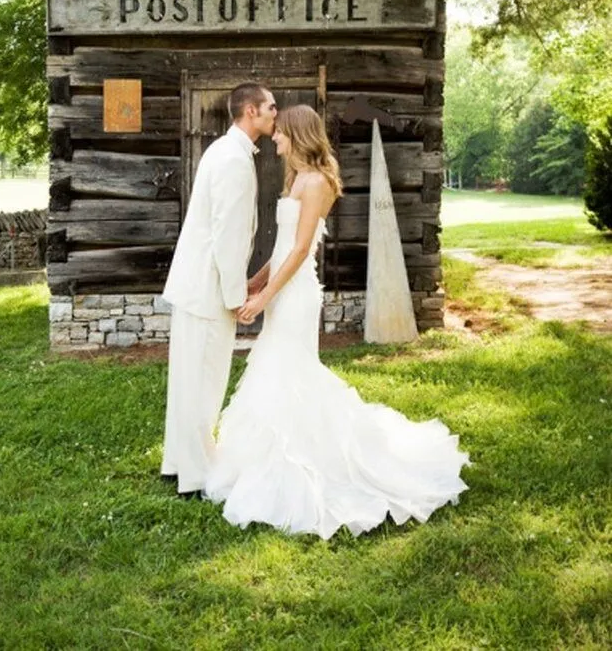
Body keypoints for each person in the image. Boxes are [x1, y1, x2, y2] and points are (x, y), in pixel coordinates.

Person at [204, 104, 470, 538]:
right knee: (276, 369)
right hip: (280, 290)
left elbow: (300, 250)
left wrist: (266, 296)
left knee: (290, 372)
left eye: (281, 133)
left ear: (297, 133)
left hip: (296, 296)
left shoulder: (319, 182)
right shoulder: (294, 179)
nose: (275, 139)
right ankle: (265, 459)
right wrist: (254, 282)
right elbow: (280, 248)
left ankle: (312, 461)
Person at [161, 82, 277, 495]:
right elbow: (227, 236)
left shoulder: (224, 151)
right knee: (203, 382)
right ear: (249, 111)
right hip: (207, 289)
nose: (275, 114)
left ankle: (179, 462)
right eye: (270, 107)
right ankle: (195, 476)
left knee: (190, 379)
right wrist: (235, 297)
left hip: (198, 285)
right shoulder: (232, 159)